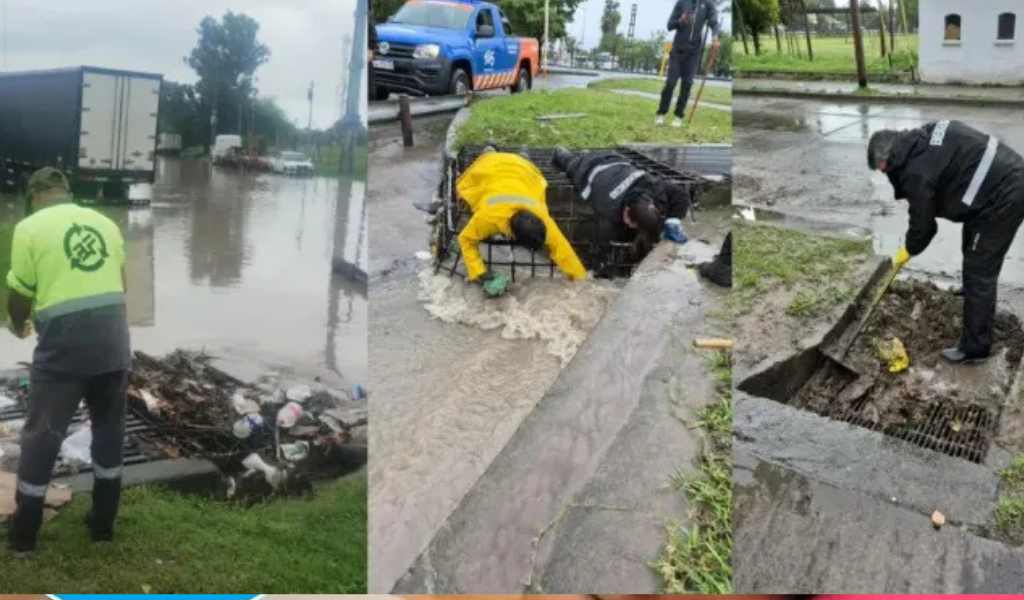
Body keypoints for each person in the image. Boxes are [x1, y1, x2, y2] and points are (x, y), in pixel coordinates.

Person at [5, 167, 132, 555]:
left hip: (64, 350)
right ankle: (103, 526)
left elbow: (19, 293)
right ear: (67, 193)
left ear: (33, 197)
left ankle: (24, 537)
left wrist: (18, 323)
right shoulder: (106, 223)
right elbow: (120, 285)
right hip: (114, 343)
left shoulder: (28, 227)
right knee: (109, 432)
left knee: (41, 437)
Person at [868, 120, 1024, 364]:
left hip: (1004, 195)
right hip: (1004, 178)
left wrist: (907, 250)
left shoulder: (916, 172)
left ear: (888, 158)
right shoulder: (923, 135)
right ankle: (972, 293)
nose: (884, 172)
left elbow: (924, 226)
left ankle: (975, 349)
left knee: (980, 270)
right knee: (972, 245)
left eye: (882, 167)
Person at [456, 149, 587, 296]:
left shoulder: (542, 218)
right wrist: (480, 273)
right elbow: (465, 239)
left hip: (523, 169)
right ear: (515, 236)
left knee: (522, 162)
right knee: (486, 157)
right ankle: (491, 150)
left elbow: (563, 251)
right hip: (490, 166)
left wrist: (581, 281)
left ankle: (520, 155)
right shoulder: (488, 218)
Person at [553, 147, 690, 276]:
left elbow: (681, 195)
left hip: (616, 159)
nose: (632, 227)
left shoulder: (653, 186)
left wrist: (673, 220)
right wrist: (603, 268)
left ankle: (583, 153)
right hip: (588, 167)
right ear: (626, 214)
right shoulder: (607, 209)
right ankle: (563, 153)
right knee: (567, 161)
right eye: (632, 224)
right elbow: (601, 250)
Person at [657, 0, 721, 128]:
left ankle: (678, 116)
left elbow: (714, 22)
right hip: (677, 50)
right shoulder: (682, 3)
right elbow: (669, 25)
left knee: (687, 84)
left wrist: (715, 37)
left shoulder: (707, 4)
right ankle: (661, 114)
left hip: (694, 52)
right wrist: (680, 21)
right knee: (670, 83)